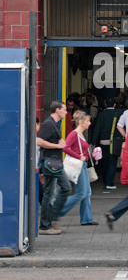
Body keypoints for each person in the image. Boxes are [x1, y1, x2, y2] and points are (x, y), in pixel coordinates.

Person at [37, 101, 71, 235]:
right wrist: (58, 146)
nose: (66, 112)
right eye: (64, 109)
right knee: (49, 193)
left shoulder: (54, 124)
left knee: (66, 188)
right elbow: (39, 141)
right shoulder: (48, 124)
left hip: (56, 163)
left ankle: (51, 219)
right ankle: (45, 226)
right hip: (50, 163)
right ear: (57, 110)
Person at [59, 111, 98, 226]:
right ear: (80, 122)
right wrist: (79, 157)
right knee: (82, 193)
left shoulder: (80, 134)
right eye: (87, 121)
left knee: (86, 192)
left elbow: (78, 150)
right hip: (79, 166)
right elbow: (65, 147)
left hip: (82, 165)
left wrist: (91, 155)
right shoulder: (74, 134)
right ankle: (57, 211)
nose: (90, 123)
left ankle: (86, 218)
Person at [91, 98, 123, 189]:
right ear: (114, 105)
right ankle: (109, 183)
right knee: (112, 162)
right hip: (114, 142)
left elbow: (97, 129)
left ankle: (105, 180)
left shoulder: (101, 114)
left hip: (103, 141)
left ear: (105, 104)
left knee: (104, 162)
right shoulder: (118, 114)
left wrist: (93, 142)